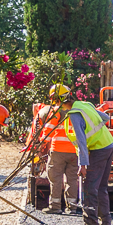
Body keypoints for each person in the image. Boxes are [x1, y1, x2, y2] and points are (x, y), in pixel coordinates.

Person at [66, 92, 113, 225]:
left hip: (99, 149)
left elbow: (81, 141)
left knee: (90, 188)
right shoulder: (85, 105)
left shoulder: (74, 114)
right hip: (109, 145)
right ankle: (106, 224)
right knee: (101, 187)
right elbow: (106, 117)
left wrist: (82, 165)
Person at [28, 84, 80, 213]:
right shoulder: (78, 109)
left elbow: (48, 130)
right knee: (72, 179)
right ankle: (72, 207)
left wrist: (41, 145)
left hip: (58, 150)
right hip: (75, 150)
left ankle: (55, 206)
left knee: (55, 178)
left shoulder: (56, 110)